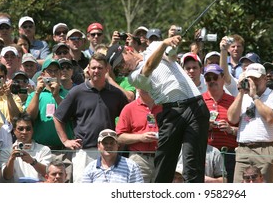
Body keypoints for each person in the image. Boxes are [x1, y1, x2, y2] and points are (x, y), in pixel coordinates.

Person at [106, 36, 210, 183]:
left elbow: (172, 53)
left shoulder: (154, 46)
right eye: (118, 68)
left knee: (193, 163)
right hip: (171, 112)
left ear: (128, 50)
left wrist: (172, 44)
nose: (123, 68)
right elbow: (149, 66)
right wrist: (164, 45)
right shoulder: (133, 77)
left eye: (121, 62)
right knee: (164, 162)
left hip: (195, 106)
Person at [53, 52, 128, 183]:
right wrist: (65, 141)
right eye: (93, 67)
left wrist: (121, 140)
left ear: (107, 69)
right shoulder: (77, 92)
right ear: (88, 68)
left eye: (100, 68)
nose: (96, 71)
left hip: (109, 151)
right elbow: (58, 117)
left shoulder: (116, 94)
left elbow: (127, 118)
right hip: (84, 152)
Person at [227, 63, 273, 183]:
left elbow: (270, 118)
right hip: (243, 149)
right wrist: (241, 93)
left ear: (265, 79)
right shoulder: (243, 97)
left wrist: (255, 97)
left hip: (265, 149)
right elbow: (232, 118)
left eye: (256, 79)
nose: (252, 82)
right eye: (250, 79)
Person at [116, 89, 162, 182]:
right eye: (142, 86)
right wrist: (140, 137)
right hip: (139, 158)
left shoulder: (164, 107)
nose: (146, 88)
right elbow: (119, 137)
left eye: (148, 85)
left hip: (162, 158)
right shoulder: (129, 108)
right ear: (137, 88)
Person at [202, 64, 237, 183]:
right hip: (205, 154)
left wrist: (230, 129)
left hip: (228, 153)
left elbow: (244, 131)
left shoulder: (233, 101)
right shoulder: (199, 101)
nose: (212, 81)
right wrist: (204, 126)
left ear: (222, 78)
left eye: (215, 77)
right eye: (208, 78)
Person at [0, 112, 52, 183]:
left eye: (28, 128)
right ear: (14, 131)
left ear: (33, 130)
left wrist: (32, 161)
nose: (24, 132)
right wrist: (11, 159)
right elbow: (7, 176)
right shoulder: (6, 151)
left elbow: (47, 173)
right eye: (20, 129)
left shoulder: (44, 149)